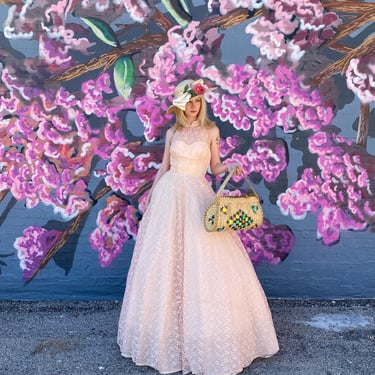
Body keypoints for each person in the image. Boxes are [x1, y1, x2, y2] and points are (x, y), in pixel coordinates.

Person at [117, 79, 279, 375]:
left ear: (201, 104)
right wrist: (151, 198)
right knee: (164, 260)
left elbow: (215, 167)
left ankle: (206, 335)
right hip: (169, 194)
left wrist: (230, 167)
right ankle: (165, 334)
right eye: (187, 102)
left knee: (202, 258)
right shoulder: (172, 132)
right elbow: (164, 167)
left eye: (196, 102)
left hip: (196, 194)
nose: (192, 107)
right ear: (180, 106)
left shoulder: (211, 131)